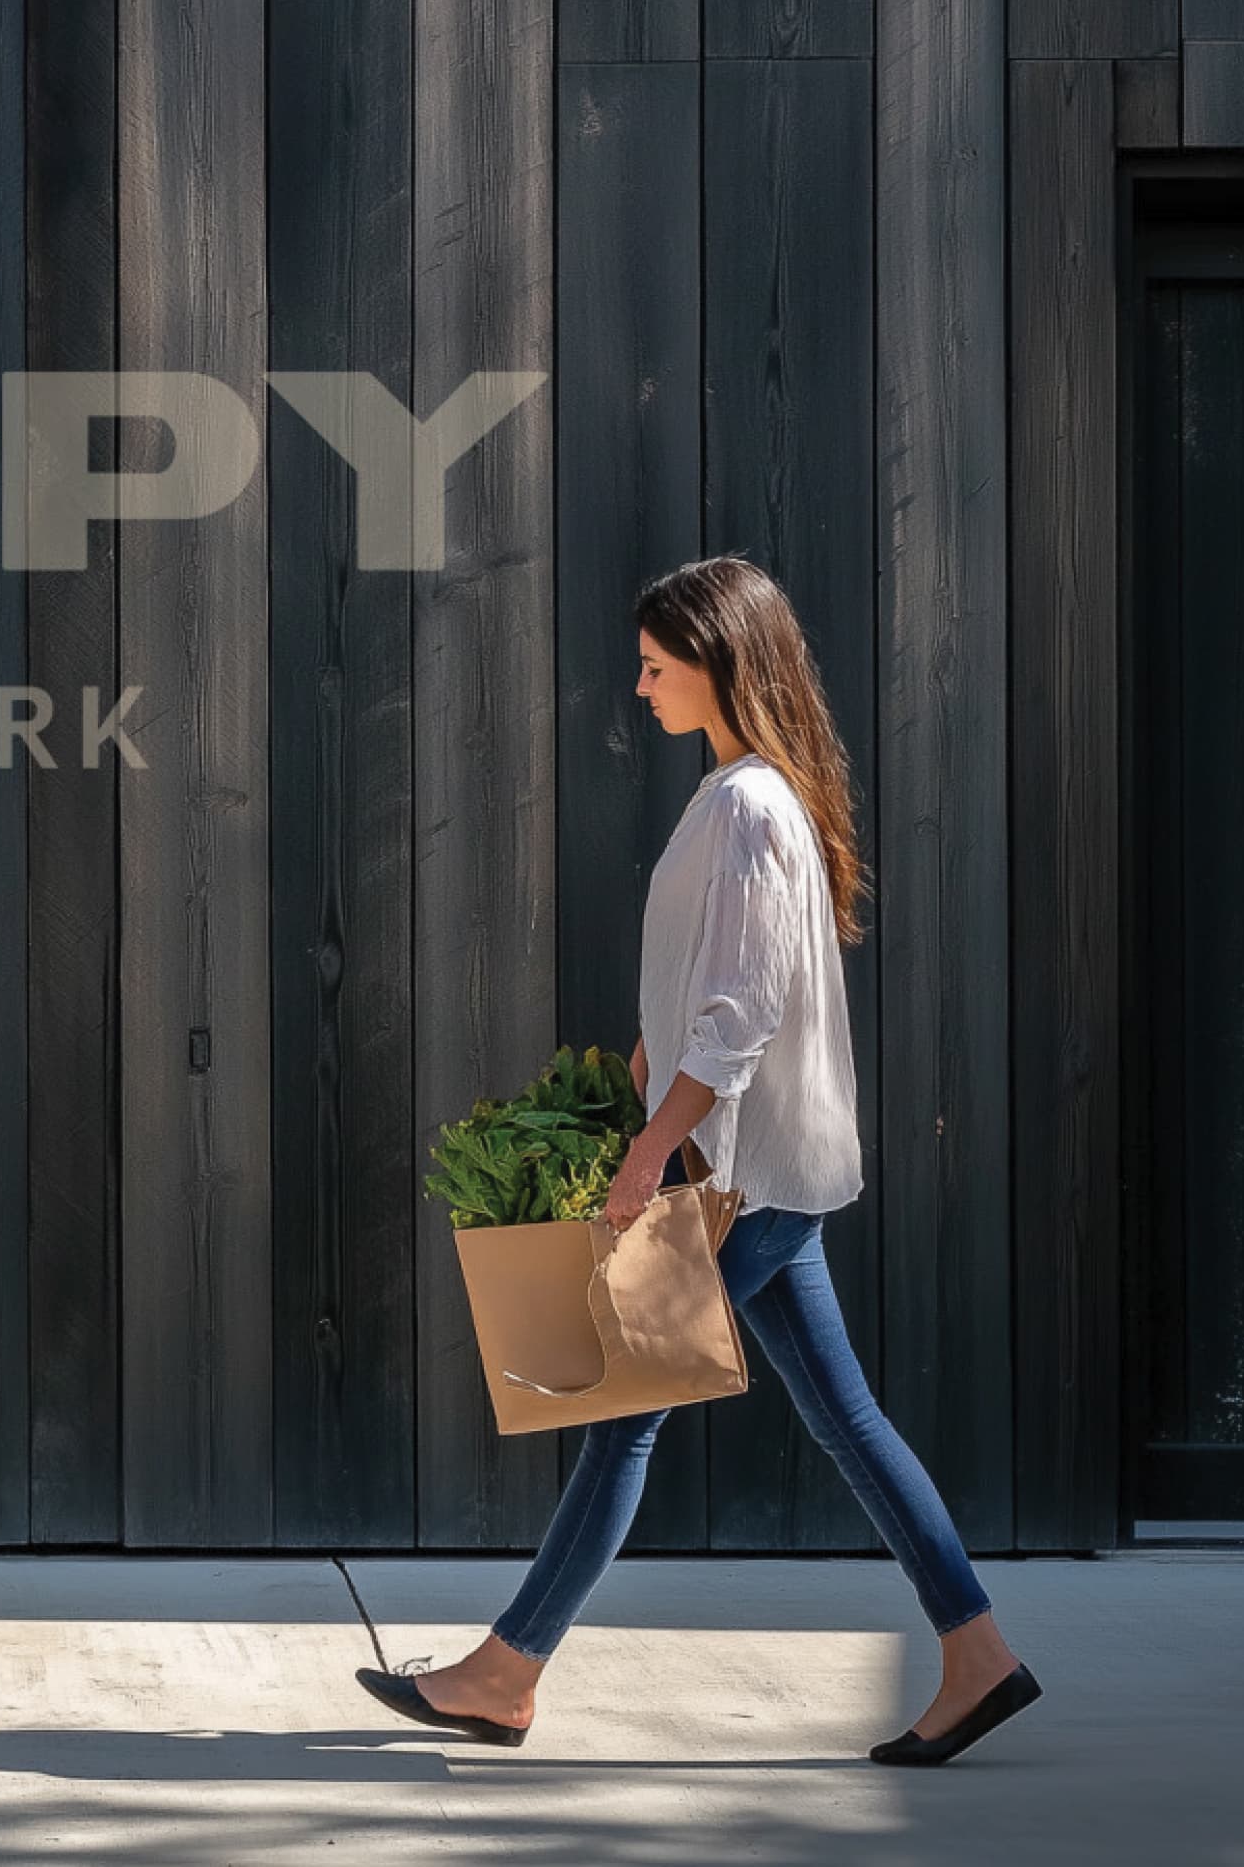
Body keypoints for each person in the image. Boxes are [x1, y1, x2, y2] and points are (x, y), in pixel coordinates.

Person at [355, 553, 1041, 1768]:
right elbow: (721, 983)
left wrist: (649, 1150)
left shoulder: (742, 805)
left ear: (719, 664)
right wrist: (643, 1053)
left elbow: (738, 1011)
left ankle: (503, 1673)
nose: (636, 686)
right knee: (845, 1420)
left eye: (656, 665)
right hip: (767, 1169)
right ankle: (977, 1655)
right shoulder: (752, 791)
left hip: (732, 1171)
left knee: (622, 1415)